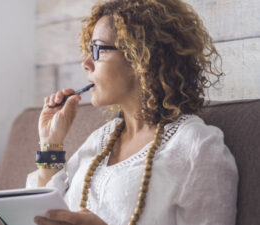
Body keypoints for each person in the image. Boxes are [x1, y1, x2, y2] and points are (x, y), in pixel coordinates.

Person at [27, 0, 239, 224]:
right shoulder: (101, 140)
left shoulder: (197, 146)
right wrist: (51, 142)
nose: (86, 63)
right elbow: (45, 214)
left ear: (139, 57)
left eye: (97, 49)